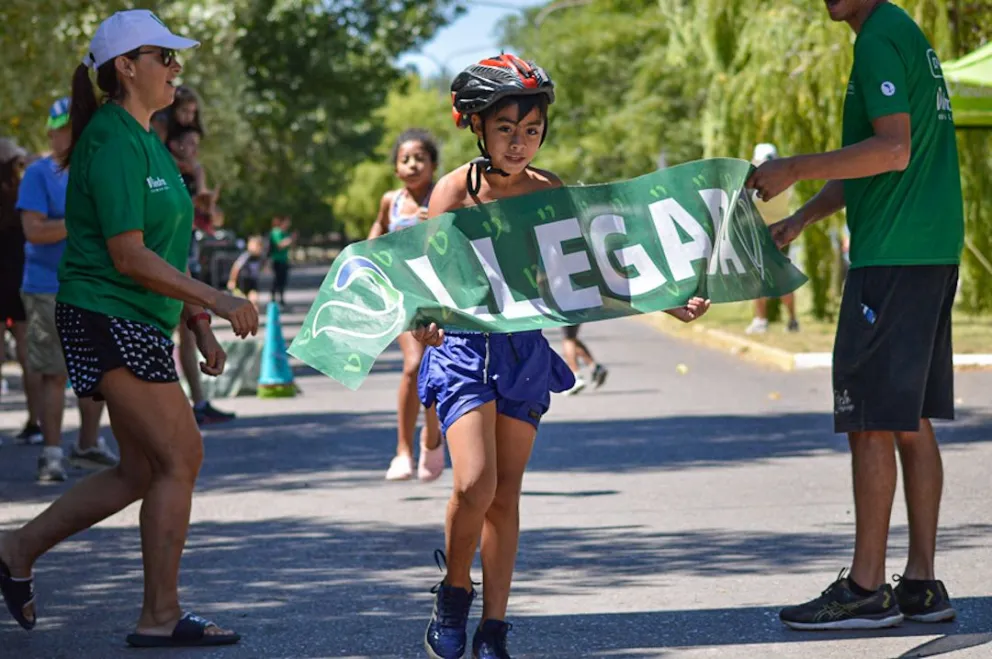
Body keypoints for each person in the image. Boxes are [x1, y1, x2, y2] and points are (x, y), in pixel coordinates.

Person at [415, 54, 710, 658]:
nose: (520, 142)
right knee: (474, 483)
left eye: (532, 129)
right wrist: (423, 318)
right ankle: (453, 592)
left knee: (505, 496)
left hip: (523, 351)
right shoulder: (453, 191)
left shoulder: (550, 192)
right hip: (466, 350)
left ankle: (494, 627)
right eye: (505, 128)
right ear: (475, 125)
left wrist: (666, 299)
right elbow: (423, 276)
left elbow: (596, 269)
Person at [0, 9, 257, 647]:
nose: (176, 67)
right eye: (163, 57)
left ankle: (16, 550)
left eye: (176, 57)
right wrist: (219, 299)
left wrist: (195, 320)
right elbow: (128, 254)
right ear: (126, 67)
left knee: (140, 471)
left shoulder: (148, 141)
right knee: (183, 455)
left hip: (136, 317)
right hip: (106, 312)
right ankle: (160, 616)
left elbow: (167, 250)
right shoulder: (110, 138)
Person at [748, 0, 962, 631]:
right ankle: (921, 584)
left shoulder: (875, 40)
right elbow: (873, 163)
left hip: (893, 258)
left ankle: (867, 588)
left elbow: (891, 150)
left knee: (869, 419)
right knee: (909, 419)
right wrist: (803, 216)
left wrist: (792, 168)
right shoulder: (902, 33)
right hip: (927, 251)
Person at [17, 97, 119, 482]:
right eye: (63, 130)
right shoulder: (38, 174)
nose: (70, 137)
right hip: (47, 287)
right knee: (54, 373)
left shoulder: (96, 169)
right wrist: (80, 223)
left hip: (93, 286)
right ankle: (52, 452)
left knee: (98, 372)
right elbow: (34, 231)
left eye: (76, 129)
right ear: (50, 133)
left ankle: (89, 444)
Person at [368, 129, 445, 482]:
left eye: (420, 158)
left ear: (433, 164)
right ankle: (403, 450)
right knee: (414, 365)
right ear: (397, 168)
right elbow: (378, 231)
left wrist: (443, 224)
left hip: (439, 297)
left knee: (435, 366)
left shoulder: (444, 196)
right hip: (402, 297)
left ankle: (432, 437)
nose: (413, 164)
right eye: (405, 159)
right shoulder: (391, 201)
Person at [163, 104, 235, 426]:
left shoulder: (194, 175)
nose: (191, 151)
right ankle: (175, 405)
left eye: (195, 145)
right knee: (168, 331)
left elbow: (211, 219)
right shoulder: (163, 170)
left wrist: (207, 203)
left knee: (190, 332)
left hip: (187, 254)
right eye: (184, 145)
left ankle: (198, 401)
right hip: (167, 256)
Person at [0, 137, 44, 445]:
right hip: (19, 277)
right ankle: (34, 420)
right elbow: (36, 157)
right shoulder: (23, 192)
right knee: (28, 354)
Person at [745, 143, 799, 335]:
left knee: (759, 279)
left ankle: (760, 320)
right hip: (783, 232)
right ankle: (792, 320)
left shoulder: (758, 184)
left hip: (762, 233)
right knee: (782, 279)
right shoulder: (787, 182)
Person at [559, 324, 608, 395]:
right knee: (572, 338)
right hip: (576, 313)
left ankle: (575, 377)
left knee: (568, 340)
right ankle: (595, 367)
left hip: (567, 314)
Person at [227, 235, 264, 311]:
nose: (258, 249)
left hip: (253, 281)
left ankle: (254, 317)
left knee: (254, 300)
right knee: (243, 304)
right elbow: (236, 267)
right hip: (243, 282)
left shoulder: (260, 257)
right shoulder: (246, 256)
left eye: (259, 247)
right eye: (255, 246)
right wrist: (232, 280)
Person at [268, 215, 296, 308]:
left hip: (284, 259)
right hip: (276, 259)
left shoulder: (286, 233)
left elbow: (290, 246)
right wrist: (290, 240)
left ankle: (281, 298)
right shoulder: (276, 232)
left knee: (283, 280)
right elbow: (279, 245)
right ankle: (273, 298)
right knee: (276, 279)